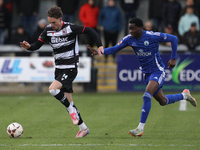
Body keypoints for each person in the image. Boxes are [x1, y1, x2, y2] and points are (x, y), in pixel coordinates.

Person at [87, 18, 197, 137]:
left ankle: (140, 128)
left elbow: (173, 38)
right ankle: (184, 95)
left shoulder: (152, 36)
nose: (131, 31)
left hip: (157, 71)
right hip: (147, 73)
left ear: (140, 28)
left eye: (133, 28)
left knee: (147, 94)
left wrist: (173, 58)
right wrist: (99, 52)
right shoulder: (129, 39)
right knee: (163, 101)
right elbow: (114, 48)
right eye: (130, 29)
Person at [20, 6, 104, 138]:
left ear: (60, 19)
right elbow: (37, 45)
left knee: (53, 90)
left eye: (54, 22)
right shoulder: (48, 31)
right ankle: (83, 128)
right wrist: (29, 46)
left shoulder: (70, 28)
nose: (51, 25)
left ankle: (72, 111)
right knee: (68, 100)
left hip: (70, 67)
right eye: (50, 22)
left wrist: (99, 45)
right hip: (59, 68)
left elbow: (91, 30)